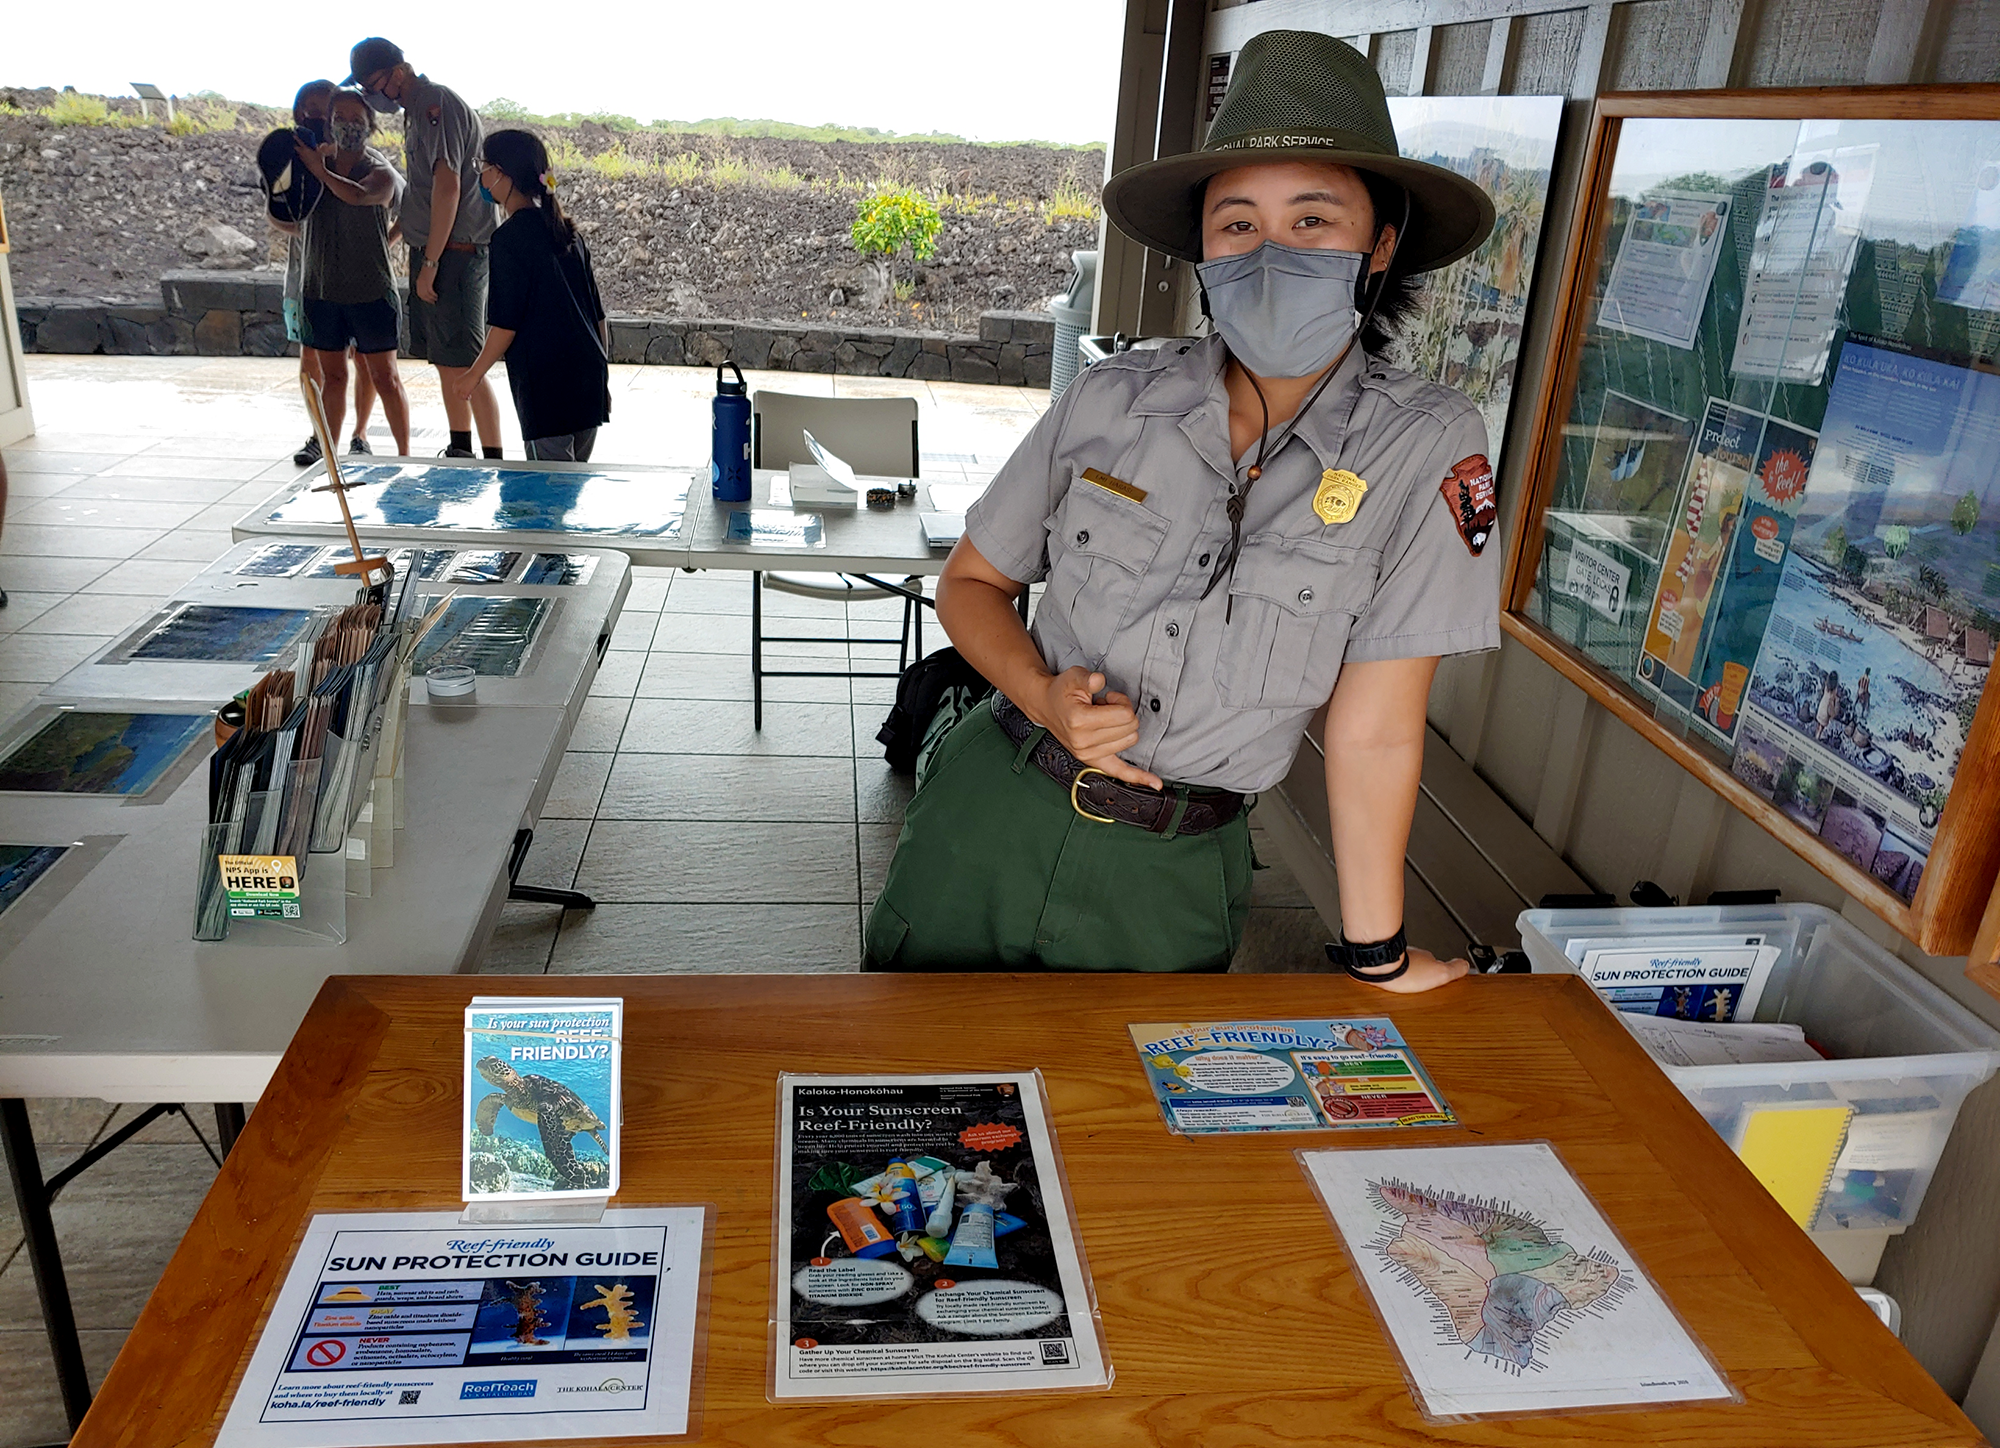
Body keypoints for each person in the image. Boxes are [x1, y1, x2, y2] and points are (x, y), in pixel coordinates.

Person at [864, 30, 1499, 989]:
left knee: (1115, 1128)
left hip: (1170, 872)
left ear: (1381, 244)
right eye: (1238, 223)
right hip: (989, 816)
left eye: (1313, 219)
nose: (1270, 251)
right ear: (1203, 247)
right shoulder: (1113, 399)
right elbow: (972, 583)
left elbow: (1374, 728)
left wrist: (1375, 955)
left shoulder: (1427, 446)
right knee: (903, 1093)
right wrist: (1044, 696)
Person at [347, 36, 503, 458]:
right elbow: (422, 196)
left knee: (464, 362)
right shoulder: (415, 112)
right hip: (438, 248)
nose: (371, 95)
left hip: (456, 250)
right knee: (447, 359)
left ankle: (492, 458)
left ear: (399, 71)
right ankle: (460, 448)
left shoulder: (436, 105)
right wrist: (395, 237)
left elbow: (447, 187)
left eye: (373, 84)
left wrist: (431, 261)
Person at [447, 130, 610, 461]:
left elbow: (505, 325)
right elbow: (598, 319)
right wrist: (601, 376)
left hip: (547, 387)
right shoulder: (569, 235)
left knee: (547, 497)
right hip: (587, 381)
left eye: (484, 166)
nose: (482, 175)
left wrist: (473, 376)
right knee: (571, 488)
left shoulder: (509, 239)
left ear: (503, 174)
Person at [292, 87, 413, 457]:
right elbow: (281, 211)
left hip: (371, 291)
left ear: (371, 126)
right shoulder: (309, 169)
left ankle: (405, 456)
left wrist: (319, 170)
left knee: (386, 377)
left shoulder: (379, 172)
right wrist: (312, 167)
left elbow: (360, 195)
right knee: (333, 378)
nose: (348, 127)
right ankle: (328, 458)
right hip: (321, 290)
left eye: (356, 120)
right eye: (340, 119)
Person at [275, 79, 380, 466]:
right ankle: (321, 436)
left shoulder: (363, 156)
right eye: (307, 108)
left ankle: (360, 434)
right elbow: (280, 213)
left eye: (323, 109)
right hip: (308, 273)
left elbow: (391, 196)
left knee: (366, 359)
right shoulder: (291, 158)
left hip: (357, 276)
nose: (314, 115)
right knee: (312, 358)